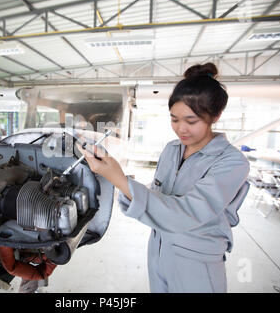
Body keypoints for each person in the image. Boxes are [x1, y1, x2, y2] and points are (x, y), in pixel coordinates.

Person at [78, 63, 250, 293]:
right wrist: (115, 179)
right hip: (158, 250)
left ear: (216, 116)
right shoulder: (172, 149)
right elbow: (157, 196)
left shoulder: (232, 163)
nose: (181, 129)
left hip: (196, 262)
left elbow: (185, 214)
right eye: (174, 119)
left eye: (191, 121)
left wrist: (119, 179)